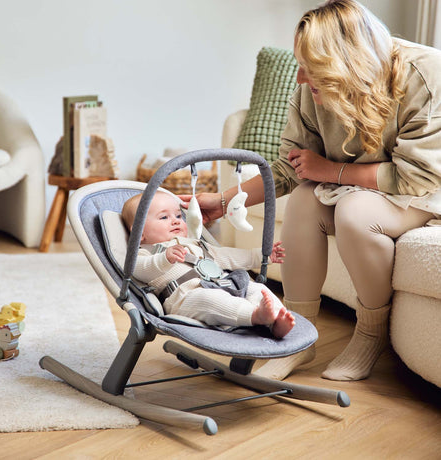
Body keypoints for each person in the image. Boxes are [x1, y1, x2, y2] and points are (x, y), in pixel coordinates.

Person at [180, 0, 441, 381]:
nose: (300, 78)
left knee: (356, 213)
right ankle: (297, 337)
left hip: (422, 192)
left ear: (349, 62)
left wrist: (332, 171)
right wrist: (222, 202)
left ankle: (370, 334)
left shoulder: (426, 74)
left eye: (311, 67)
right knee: (304, 200)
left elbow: (418, 177)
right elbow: (291, 168)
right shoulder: (310, 89)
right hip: (357, 187)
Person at [121, 191, 296, 338]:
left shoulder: (196, 243)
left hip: (225, 284)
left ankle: (277, 320)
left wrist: (259, 256)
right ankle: (255, 315)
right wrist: (164, 259)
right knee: (209, 300)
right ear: (140, 232)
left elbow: (227, 256)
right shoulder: (146, 252)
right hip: (186, 297)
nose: (175, 220)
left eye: (178, 215)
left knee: (256, 289)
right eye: (164, 217)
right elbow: (139, 270)